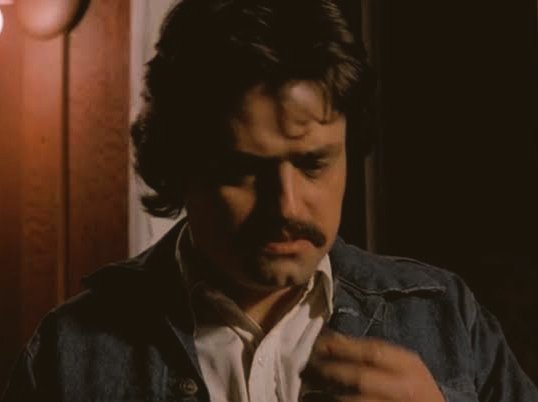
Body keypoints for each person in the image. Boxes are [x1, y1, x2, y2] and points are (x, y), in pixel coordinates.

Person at [2, 0, 537, 401]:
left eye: (313, 164)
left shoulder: (446, 317)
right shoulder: (71, 353)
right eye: (243, 170)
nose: (287, 207)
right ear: (180, 165)